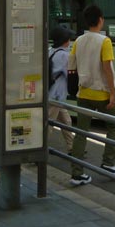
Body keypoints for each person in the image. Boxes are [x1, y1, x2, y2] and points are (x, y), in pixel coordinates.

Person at [68, 4, 115, 186]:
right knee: (114, 125)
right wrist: (112, 93)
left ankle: (77, 173)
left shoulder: (79, 41)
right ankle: (108, 163)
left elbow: (72, 65)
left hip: (83, 93)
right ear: (100, 20)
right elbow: (107, 69)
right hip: (101, 94)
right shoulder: (104, 41)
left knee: (81, 132)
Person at [47, 25, 75, 153]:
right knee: (48, 124)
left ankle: (72, 147)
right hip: (56, 95)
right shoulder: (64, 55)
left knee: (66, 121)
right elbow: (70, 74)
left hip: (52, 94)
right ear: (64, 40)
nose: (70, 41)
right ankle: (40, 150)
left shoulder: (50, 50)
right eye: (68, 38)